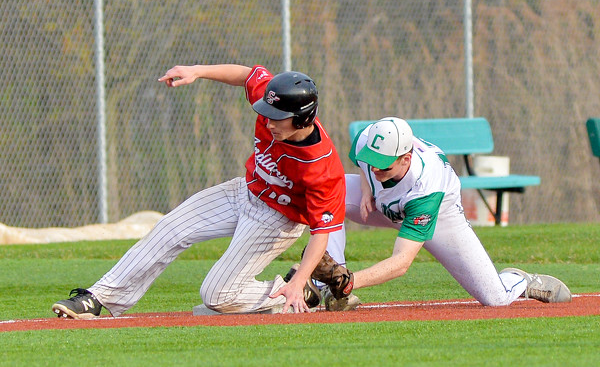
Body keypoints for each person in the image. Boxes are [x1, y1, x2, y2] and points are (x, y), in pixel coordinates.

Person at [52, 64, 346, 318]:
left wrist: (300, 279)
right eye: (266, 113)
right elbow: (247, 75)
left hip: (277, 220)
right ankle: (99, 297)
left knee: (216, 295)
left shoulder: (322, 168)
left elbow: (321, 233)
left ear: (302, 118)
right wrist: (196, 71)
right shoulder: (275, 104)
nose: (268, 121)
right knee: (170, 228)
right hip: (244, 191)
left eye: (276, 116)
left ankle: (296, 291)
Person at [321, 116, 571, 309]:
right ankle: (327, 287)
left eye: (383, 165)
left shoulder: (426, 186)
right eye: (372, 160)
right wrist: (366, 188)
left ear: (406, 159)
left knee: (496, 298)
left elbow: (401, 262)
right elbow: (363, 162)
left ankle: (519, 279)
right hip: (384, 205)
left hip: (439, 216)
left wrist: (350, 281)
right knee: (326, 194)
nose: (375, 167)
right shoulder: (369, 138)